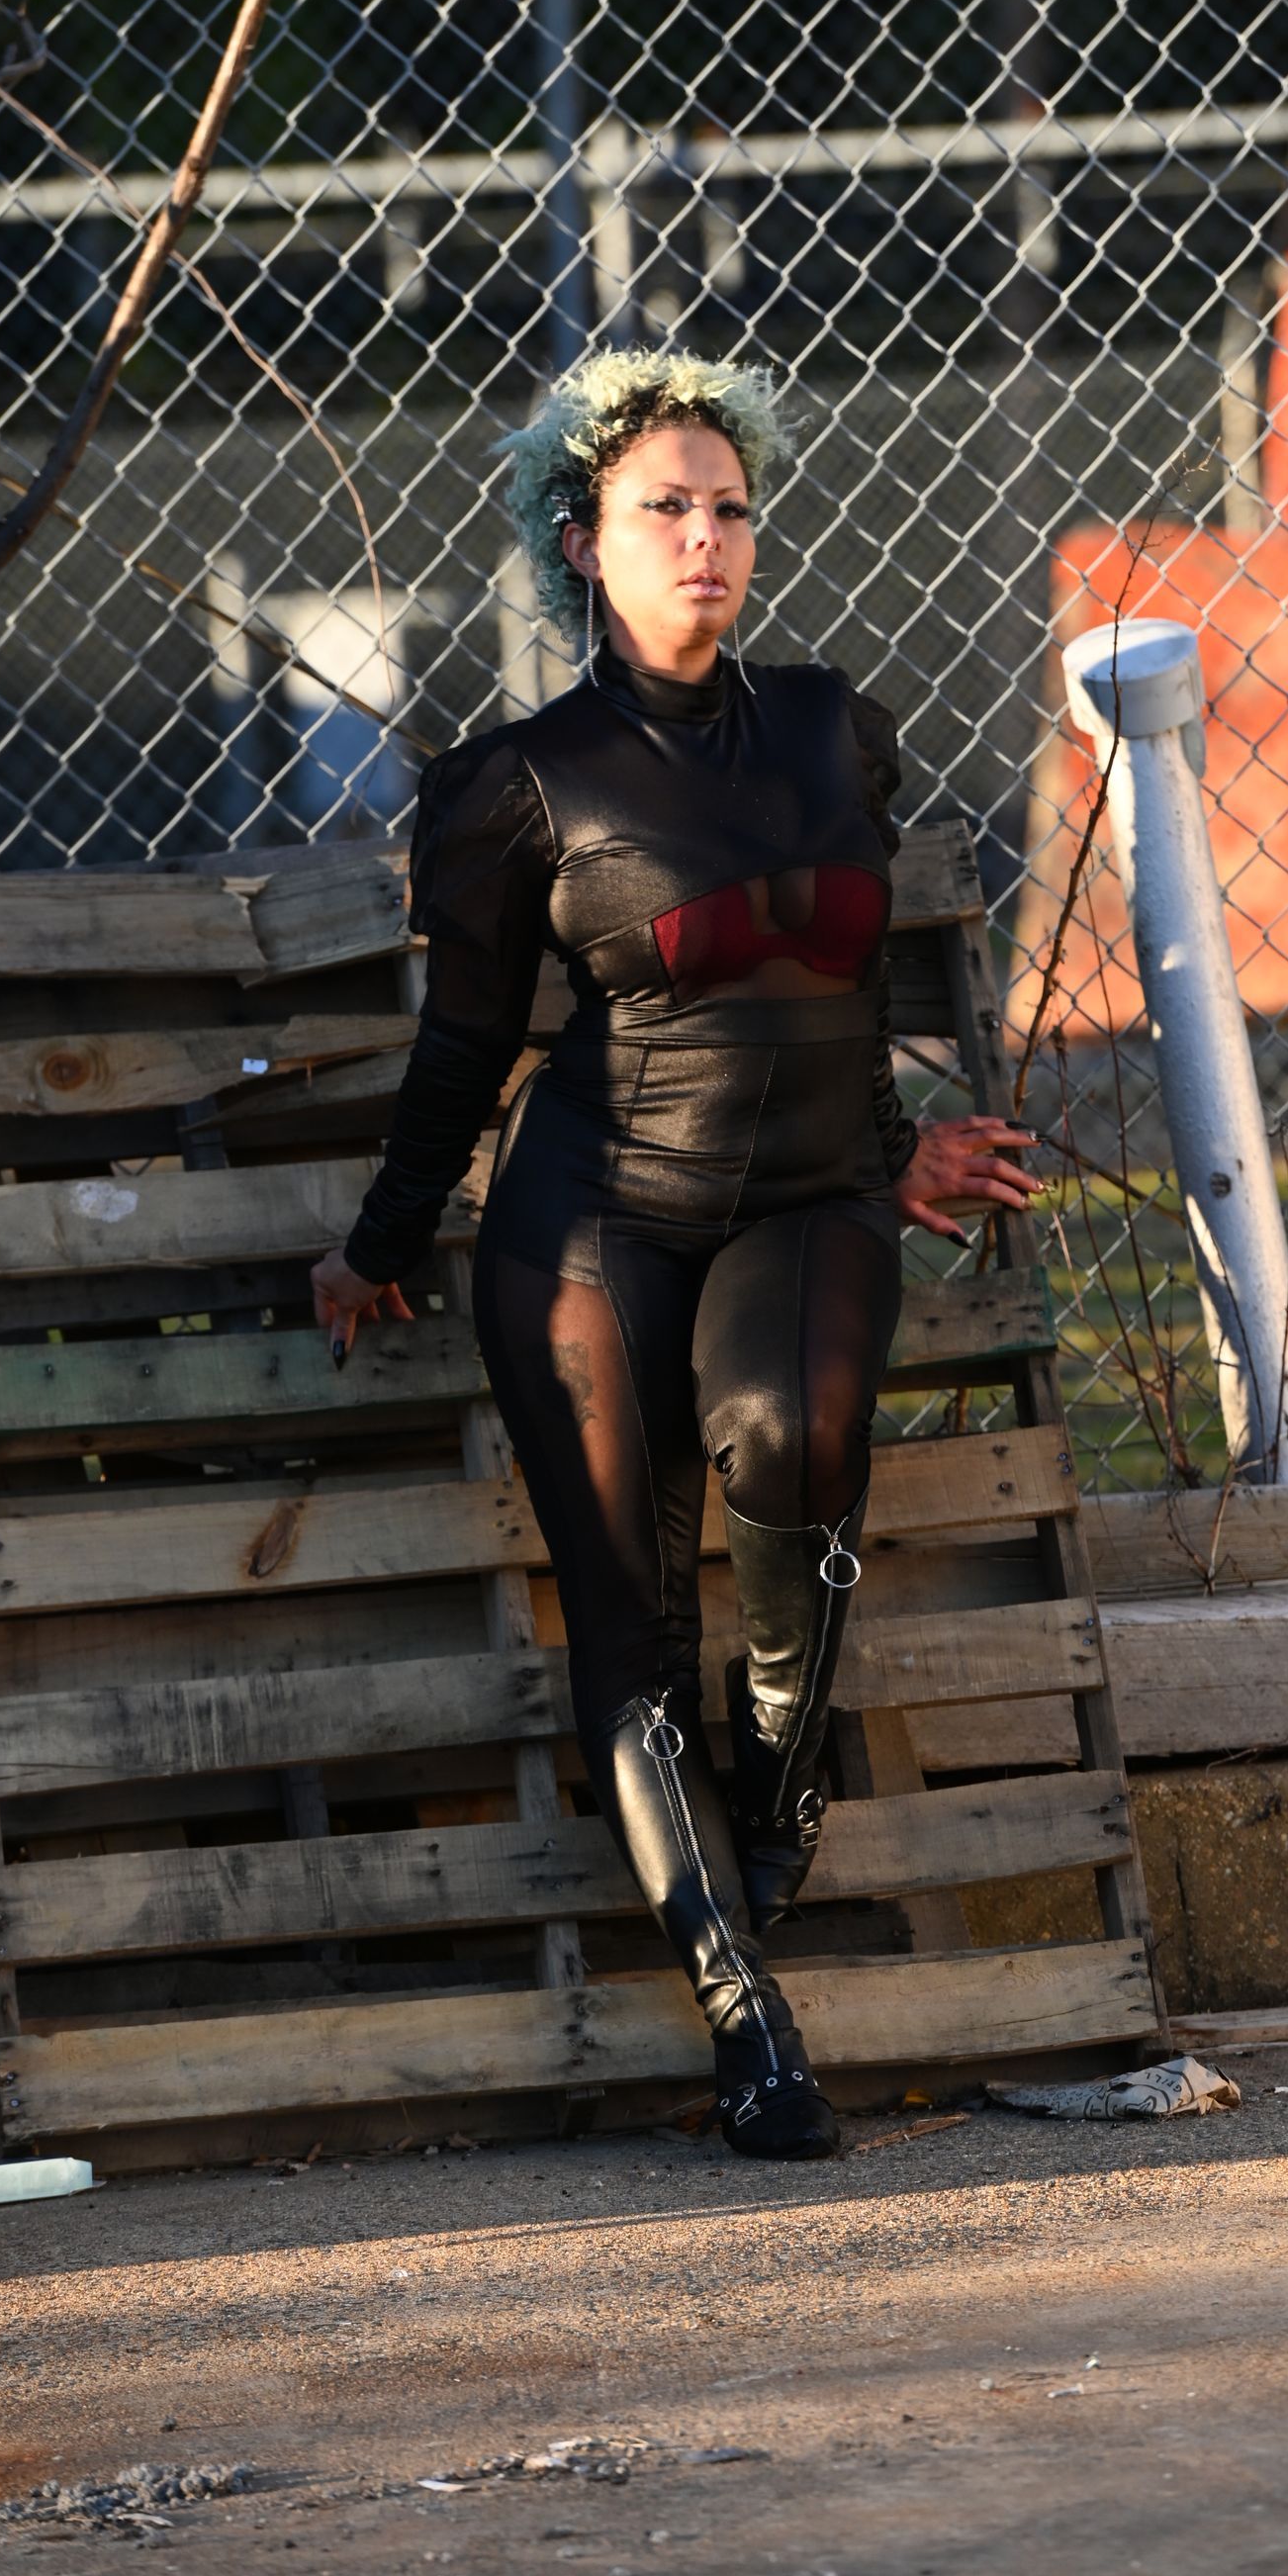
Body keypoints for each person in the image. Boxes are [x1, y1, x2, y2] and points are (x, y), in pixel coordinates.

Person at [312, 348, 1038, 2161]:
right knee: (626, 1608)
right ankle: (747, 2022)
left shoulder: (832, 726)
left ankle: (767, 1804)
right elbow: (467, 1048)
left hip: (807, 1207)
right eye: (663, 510)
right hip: (589, 1220)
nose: (706, 540)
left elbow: (845, 995)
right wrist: (382, 1237)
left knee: (796, 1447)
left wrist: (899, 1146)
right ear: (581, 545)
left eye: (728, 508)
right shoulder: (515, 786)